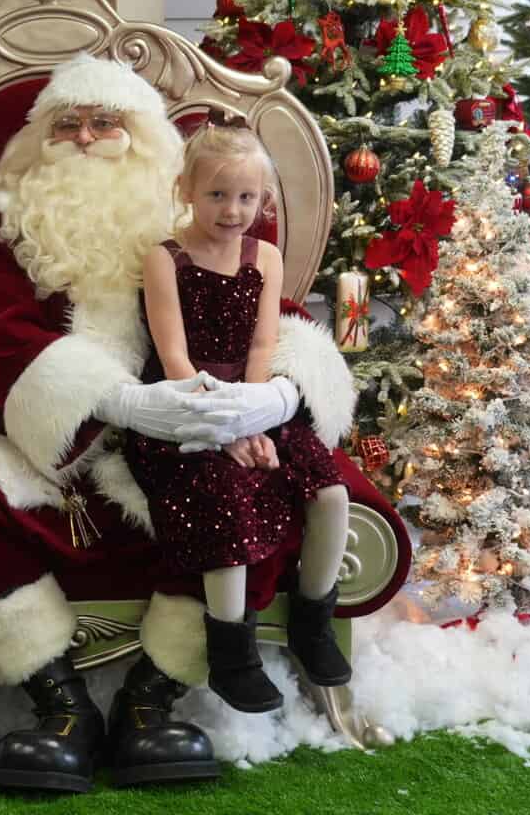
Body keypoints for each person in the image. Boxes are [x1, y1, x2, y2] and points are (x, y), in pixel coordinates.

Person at [0, 55, 356, 793]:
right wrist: (119, 402)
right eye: (68, 123)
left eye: (106, 122)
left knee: (256, 483)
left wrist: (276, 399)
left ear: (149, 142)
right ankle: (60, 706)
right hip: (54, 448)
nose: (86, 137)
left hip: (190, 436)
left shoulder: (192, 217)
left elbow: (272, 323)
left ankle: (151, 700)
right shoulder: (9, 225)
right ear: (39, 139)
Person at [132, 119, 351, 714]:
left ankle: (313, 623)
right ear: (186, 190)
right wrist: (220, 429)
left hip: (253, 402)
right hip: (186, 405)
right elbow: (173, 356)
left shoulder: (266, 258)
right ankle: (231, 651)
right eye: (217, 195)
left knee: (330, 492)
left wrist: (254, 421)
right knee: (222, 490)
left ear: (264, 199)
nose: (232, 211)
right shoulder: (165, 259)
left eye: (247, 197)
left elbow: (261, 346)